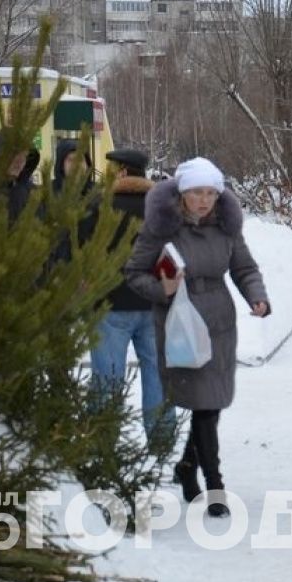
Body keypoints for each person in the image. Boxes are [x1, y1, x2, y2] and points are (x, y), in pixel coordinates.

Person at [124, 157, 270, 518]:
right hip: (179, 322)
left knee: (212, 403)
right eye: (196, 193)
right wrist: (163, 288)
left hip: (219, 322)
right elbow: (133, 273)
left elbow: (244, 268)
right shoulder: (161, 229)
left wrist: (257, 296)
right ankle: (216, 486)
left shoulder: (226, 227)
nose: (204, 200)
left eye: (210, 193)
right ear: (181, 194)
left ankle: (188, 467)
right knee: (204, 406)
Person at [89, 149, 177, 450]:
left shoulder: (99, 205)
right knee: (157, 375)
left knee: (107, 377)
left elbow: (84, 252)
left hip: (110, 304)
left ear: (123, 172)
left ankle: (103, 441)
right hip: (153, 305)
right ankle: (162, 439)